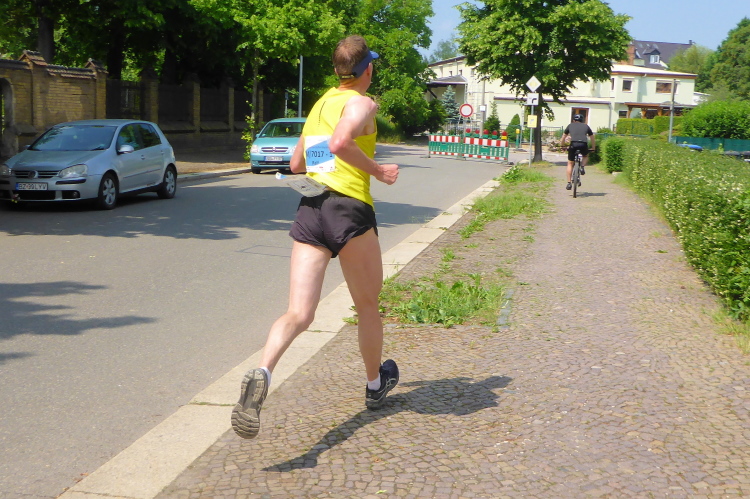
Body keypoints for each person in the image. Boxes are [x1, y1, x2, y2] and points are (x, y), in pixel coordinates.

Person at [231, 35, 401, 440]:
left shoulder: (321, 104)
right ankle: (375, 385)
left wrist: (328, 160)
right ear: (367, 69)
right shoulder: (362, 102)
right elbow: (341, 142)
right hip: (349, 209)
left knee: (298, 313)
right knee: (367, 305)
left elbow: (297, 163)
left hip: (311, 208)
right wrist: (378, 171)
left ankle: (263, 371)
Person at [561, 114, 595, 190]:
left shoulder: (570, 125)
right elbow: (592, 137)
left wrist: (562, 145)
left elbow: (564, 136)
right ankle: (582, 167)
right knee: (585, 156)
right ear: (582, 120)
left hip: (573, 144)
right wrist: (593, 147)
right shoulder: (586, 126)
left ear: (574, 120)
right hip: (583, 144)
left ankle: (569, 183)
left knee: (570, 163)